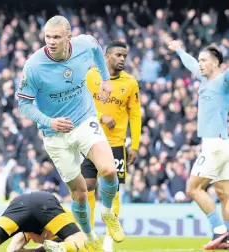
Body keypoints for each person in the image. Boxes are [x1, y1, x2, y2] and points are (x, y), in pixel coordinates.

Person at [16, 15, 124, 250]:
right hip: (55, 135)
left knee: (108, 169)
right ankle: (89, 236)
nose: (51, 42)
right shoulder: (34, 66)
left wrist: (105, 79)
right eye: (47, 37)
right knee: (80, 193)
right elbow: (23, 104)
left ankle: (107, 213)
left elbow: (97, 49)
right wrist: (50, 122)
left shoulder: (84, 44)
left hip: (84, 120)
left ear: (69, 36)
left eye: (56, 37)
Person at [168, 40, 229, 250]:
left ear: (215, 63)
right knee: (223, 192)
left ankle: (220, 231)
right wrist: (178, 49)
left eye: (204, 61)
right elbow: (190, 63)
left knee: (193, 189)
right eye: (200, 60)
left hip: (214, 145)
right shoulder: (204, 79)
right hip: (223, 144)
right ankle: (227, 238)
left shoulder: (223, 81)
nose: (200, 64)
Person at [82, 40, 141, 251]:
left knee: (113, 192)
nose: (122, 59)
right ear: (106, 56)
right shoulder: (91, 76)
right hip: (89, 139)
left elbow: (135, 115)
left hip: (116, 144)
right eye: (118, 55)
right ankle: (88, 237)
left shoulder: (131, 82)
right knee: (86, 188)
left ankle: (108, 242)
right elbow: (81, 104)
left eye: (125, 55)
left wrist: (134, 145)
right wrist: (101, 116)